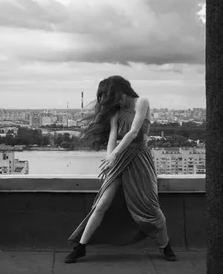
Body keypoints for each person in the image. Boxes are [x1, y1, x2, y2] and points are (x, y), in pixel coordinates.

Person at [65, 76, 177, 263]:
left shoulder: (141, 102)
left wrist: (114, 155)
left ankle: (165, 246)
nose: (108, 101)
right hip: (119, 158)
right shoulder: (116, 113)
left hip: (140, 158)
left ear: (119, 91)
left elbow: (134, 132)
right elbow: (112, 137)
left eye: (108, 95)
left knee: (151, 207)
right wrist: (110, 161)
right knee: (101, 204)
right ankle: (80, 247)